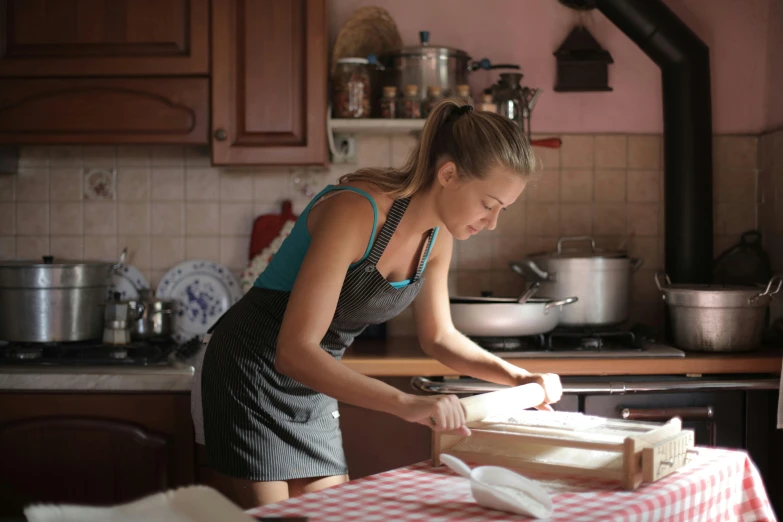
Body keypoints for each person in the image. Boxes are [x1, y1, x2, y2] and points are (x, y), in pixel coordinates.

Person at [191, 98, 563, 509]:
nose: (491, 222)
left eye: (502, 211)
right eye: (488, 205)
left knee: (326, 515)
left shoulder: (437, 239)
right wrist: (406, 404)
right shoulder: (356, 211)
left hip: (313, 380)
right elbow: (294, 350)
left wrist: (518, 377)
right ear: (449, 174)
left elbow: (439, 337)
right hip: (249, 370)